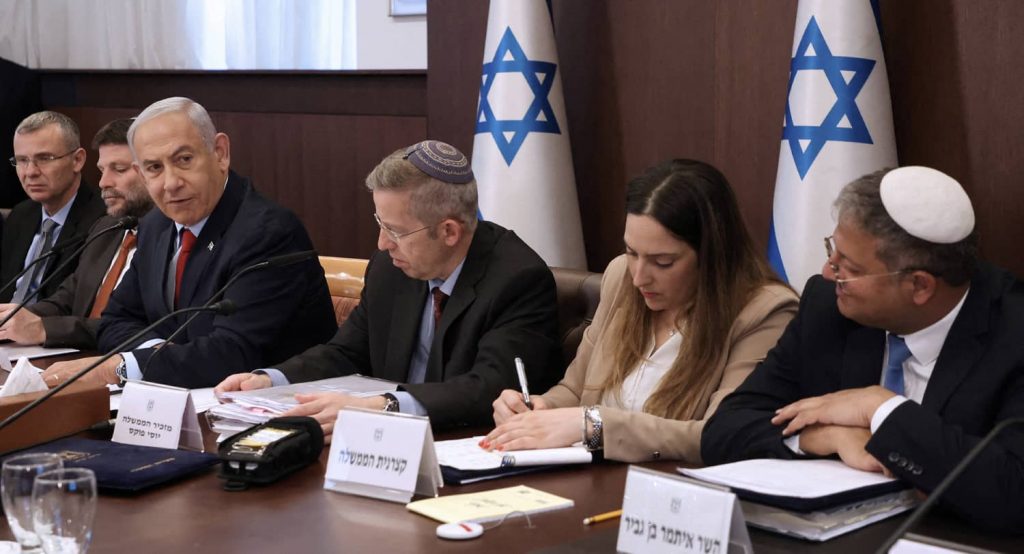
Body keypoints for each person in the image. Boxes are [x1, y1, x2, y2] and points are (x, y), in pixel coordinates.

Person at [702, 166, 1024, 532]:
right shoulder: (828, 308)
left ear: (919, 286)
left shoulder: (1013, 334)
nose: (827, 272)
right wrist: (824, 437)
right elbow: (724, 429)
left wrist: (880, 408)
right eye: (832, 251)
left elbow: (1014, 491)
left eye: (848, 268)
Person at [215, 140, 561, 433]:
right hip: (380, 445)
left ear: (449, 232)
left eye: (395, 230)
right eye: (380, 223)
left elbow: (488, 388)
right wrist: (269, 380)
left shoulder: (518, 280)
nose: (382, 244)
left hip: (461, 447)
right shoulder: (391, 268)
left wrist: (383, 406)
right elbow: (347, 352)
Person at [485, 159, 798, 462]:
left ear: (712, 255)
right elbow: (575, 389)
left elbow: (722, 435)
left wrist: (595, 426)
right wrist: (539, 410)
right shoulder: (620, 277)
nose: (639, 277)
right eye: (632, 252)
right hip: (591, 483)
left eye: (663, 262)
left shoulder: (763, 312)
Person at [41, 97, 337, 389]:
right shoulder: (157, 225)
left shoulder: (267, 232)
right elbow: (115, 320)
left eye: (183, 160)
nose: (171, 183)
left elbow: (232, 353)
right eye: (154, 168)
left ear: (220, 153)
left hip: (271, 408)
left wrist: (122, 367)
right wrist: (160, 354)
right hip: (175, 400)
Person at [0, 119, 153, 349]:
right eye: (102, 170)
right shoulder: (107, 227)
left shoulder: (167, 239)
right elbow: (66, 299)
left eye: (119, 169)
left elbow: (131, 326)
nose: (103, 182)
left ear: (154, 170)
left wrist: (44, 328)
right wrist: (14, 318)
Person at [2, 111, 105, 304]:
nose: (31, 172)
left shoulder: (102, 221)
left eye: (44, 158)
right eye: (22, 160)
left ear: (77, 160)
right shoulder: (21, 214)